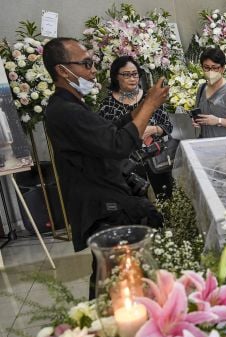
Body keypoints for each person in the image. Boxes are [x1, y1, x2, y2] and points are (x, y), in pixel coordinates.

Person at [43, 37, 169, 298]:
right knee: (114, 279)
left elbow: (109, 131)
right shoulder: (65, 110)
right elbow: (118, 144)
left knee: (113, 275)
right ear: (62, 70)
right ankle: (108, 327)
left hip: (104, 198)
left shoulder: (73, 105)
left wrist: (141, 105)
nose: (92, 70)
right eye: (86, 64)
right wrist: (151, 105)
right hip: (102, 205)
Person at [98, 56, 173, 198]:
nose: (132, 78)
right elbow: (107, 138)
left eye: (135, 74)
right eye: (126, 75)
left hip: (157, 161)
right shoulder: (107, 105)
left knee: (166, 198)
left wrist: (154, 129)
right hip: (128, 167)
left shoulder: (150, 97)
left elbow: (168, 126)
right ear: (116, 77)